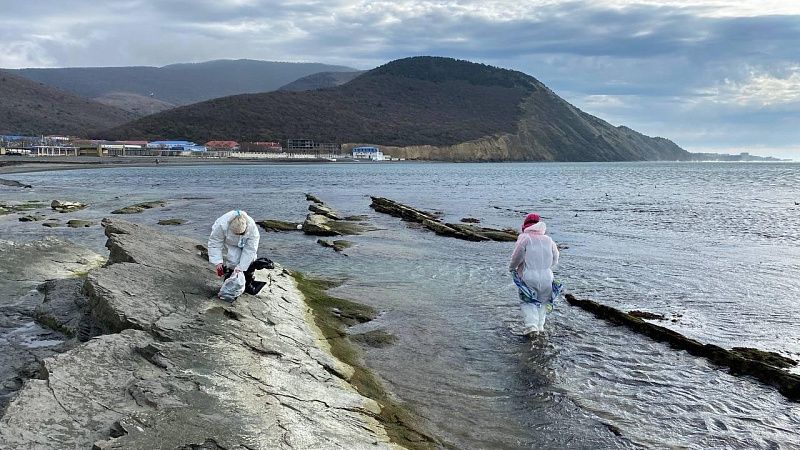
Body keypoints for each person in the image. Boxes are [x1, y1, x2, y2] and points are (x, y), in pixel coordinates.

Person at [509, 213, 560, 336]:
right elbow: (556, 257)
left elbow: (517, 256)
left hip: (528, 276)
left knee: (527, 302)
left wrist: (512, 267)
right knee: (544, 301)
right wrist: (548, 266)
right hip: (547, 276)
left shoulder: (524, 238)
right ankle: (540, 326)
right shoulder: (548, 239)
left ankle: (531, 327)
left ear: (525, 226)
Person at [208, 210, 261, 297]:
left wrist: (241, 267)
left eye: (241, 233)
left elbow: (251, 248)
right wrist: (218, 262)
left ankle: (248, 280)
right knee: (233, 260)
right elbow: (215, 243)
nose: (239, 235)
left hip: (246, 242)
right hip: (231, 242)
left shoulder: (252, 227)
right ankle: (231, 279)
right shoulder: (221, 225)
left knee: (250, 260)